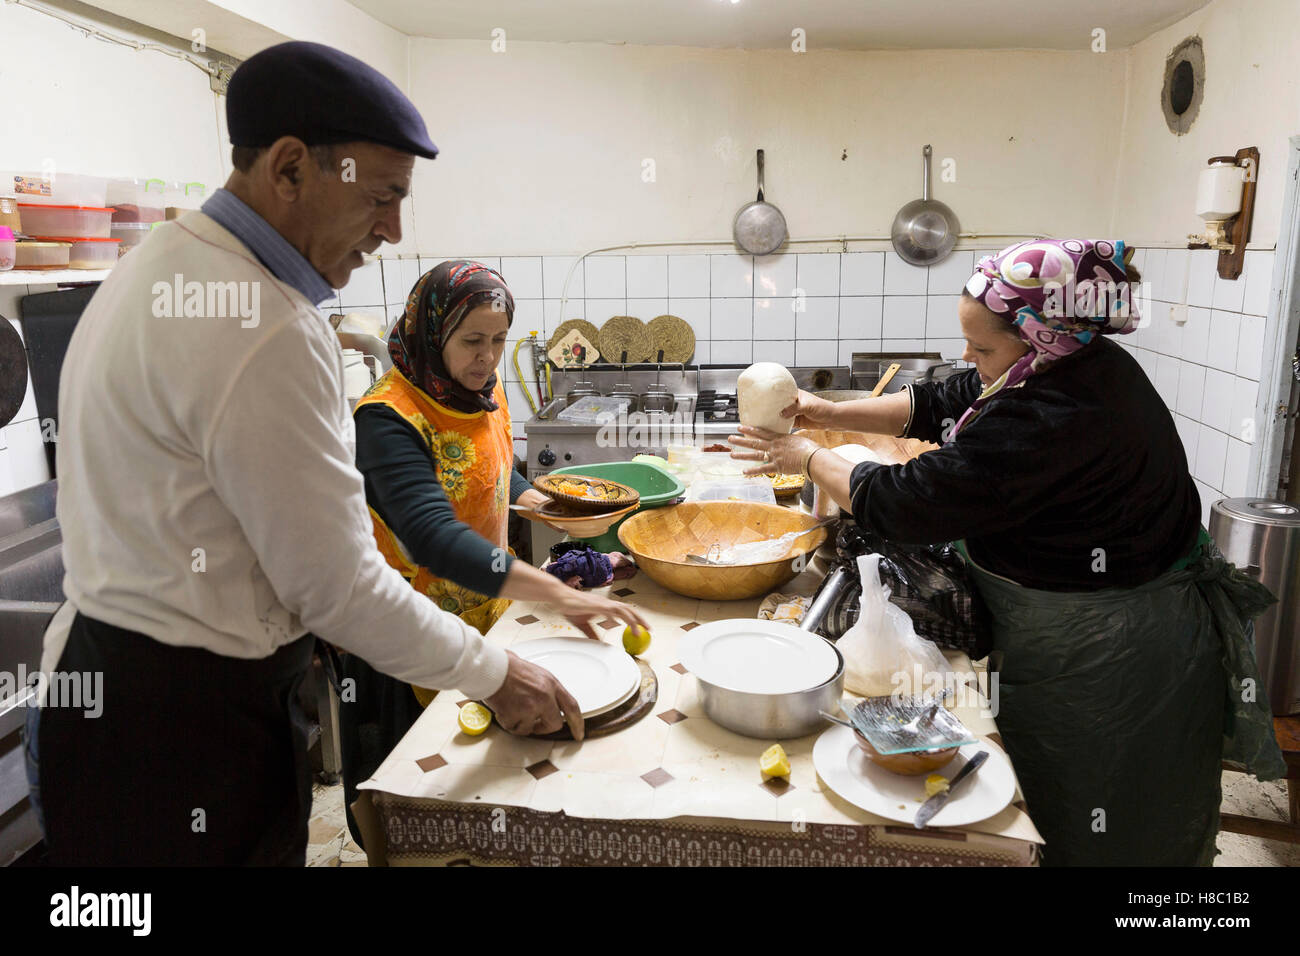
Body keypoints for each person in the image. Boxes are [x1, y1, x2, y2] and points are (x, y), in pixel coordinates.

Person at [28, 41, 584, 866]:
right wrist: (497, 674)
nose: (393, 230)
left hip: (104, 693)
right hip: (185, 728)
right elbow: (337, 585)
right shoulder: (265, 325)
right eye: (383, 197)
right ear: (289, 168)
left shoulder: (157, 267)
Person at [730, 239, 1286, 866]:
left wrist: (806, 456)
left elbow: (908, 501)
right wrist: (829, 412)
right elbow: (945, 399)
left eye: (983, 346)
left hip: (1112, 648)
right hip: (1064, 627)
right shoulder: (1069, 358)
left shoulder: (1059, 414)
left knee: (1112, 809)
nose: (969, 358)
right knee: (1056, 792)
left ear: (1041, 334)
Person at [340, 260, 648, 842]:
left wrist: (540, 503)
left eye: (499, 341)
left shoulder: (483, 390)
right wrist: (554, 591)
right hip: (408, 639)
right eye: (472, 341)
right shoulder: (386, 419)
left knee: (498, 791)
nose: (488, 357)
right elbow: (431, 538)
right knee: (422, 805)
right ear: (433, 335)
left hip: (488, 618)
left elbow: (494, 466)